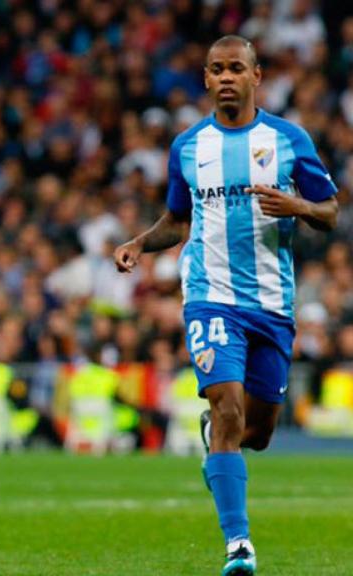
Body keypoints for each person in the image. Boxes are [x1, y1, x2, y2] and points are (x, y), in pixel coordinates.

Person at [114, 36, 338, 576]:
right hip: (211, 299)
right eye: (217, 69)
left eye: (237, 68)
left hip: (272, 305)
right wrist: (140, 244)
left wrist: (299, 205)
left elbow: (331, 211)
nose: (227, 77)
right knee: (228, 410)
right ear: (207, 78)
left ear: (257, 75)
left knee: (256, 432)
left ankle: (217, 449)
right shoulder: (188, 148)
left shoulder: (288, 140)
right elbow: (177, 220)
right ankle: (239, 545)